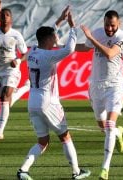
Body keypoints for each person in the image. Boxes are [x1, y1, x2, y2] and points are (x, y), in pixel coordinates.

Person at [17, 6, 91, 180]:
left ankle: (23, 170)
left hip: (32, 102)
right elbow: (70, 49)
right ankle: (76, 172)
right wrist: (72, 26)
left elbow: (47, 34)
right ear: (49, 39)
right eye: (55, 36)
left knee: (42, 142)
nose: (57, 38)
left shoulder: (34, 50)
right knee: (65, 136)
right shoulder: (47, 56)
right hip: (48, 101)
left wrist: (59, 20)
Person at [75, 10, 123, 180]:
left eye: (113, 25)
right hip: (96, 86)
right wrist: (65, 46)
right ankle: (118, 134)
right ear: (104, 22)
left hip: (115, 86)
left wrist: (91, 38)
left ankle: (105, 169)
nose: (110, 29)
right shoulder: (98, 33)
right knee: (102, 126)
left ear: (118, 24)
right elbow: (85, 48)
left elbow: (110, 53)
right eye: (107, 25)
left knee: (109, 126)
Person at [0, 8, 28, 140]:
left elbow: (25, 52)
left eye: (7, 15)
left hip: (12, 70)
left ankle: (0, 132)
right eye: (3, 15)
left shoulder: (16, 35)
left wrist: (18, 60)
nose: (5, 17)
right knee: (6, 101)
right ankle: (25, 88)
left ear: (11, 19)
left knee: (4, 98)